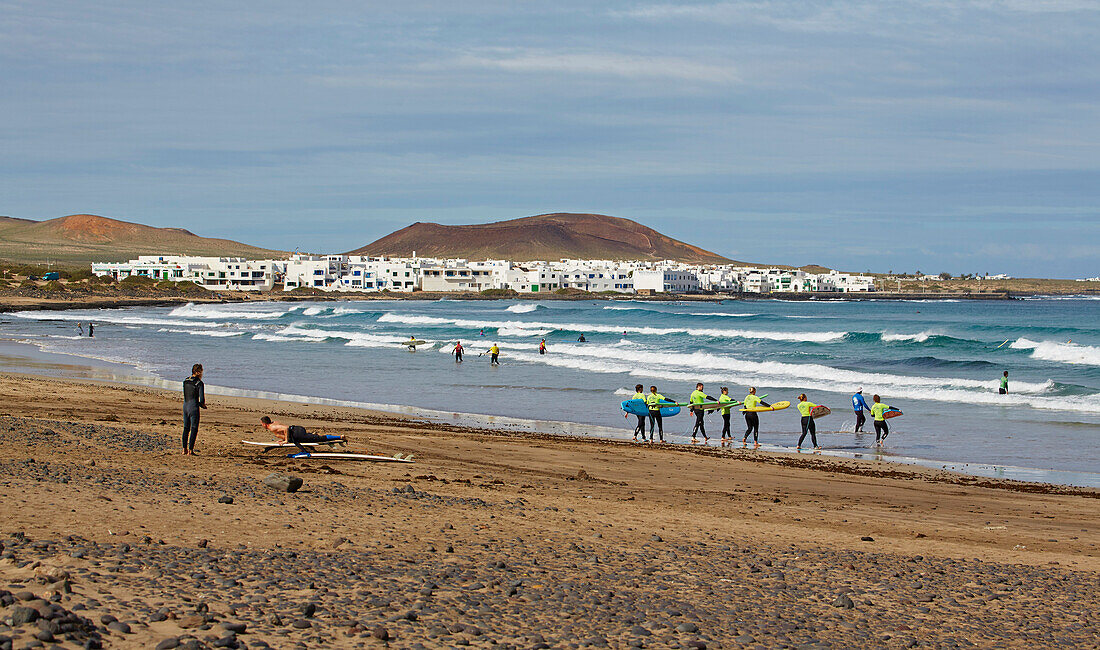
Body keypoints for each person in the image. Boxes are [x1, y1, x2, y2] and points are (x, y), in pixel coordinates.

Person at [260, 416, 349, 454]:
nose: (261, 425)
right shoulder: (274, 423)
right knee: (314, 437)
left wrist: (286, 441)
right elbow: (284, 430)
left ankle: (340, 437)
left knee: (319, 439)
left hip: (297, 434)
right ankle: (312, 435)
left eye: (261, 424)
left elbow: (285, 429)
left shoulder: (272, 427)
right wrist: (283, 439)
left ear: (264, 424)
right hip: (297, 429)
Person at [182, 364, 206, 455]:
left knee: (186, 428)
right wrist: (202, 405)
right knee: (194, 428)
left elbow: (186, 394)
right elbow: (202, 399)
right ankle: (190, 450)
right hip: (193, 407)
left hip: (185, 406)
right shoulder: (199, 383)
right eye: (201, 371)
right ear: (198, 372)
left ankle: (184, 449)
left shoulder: (186, 381)